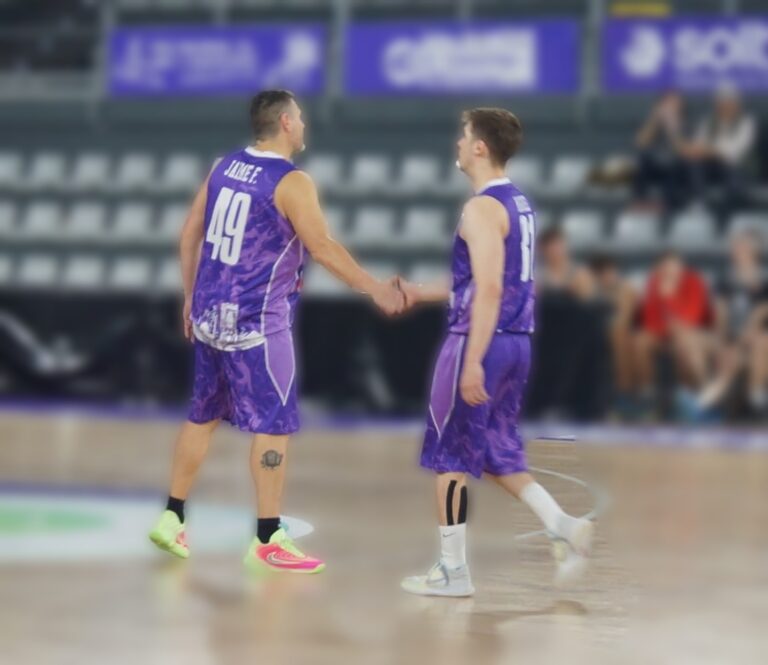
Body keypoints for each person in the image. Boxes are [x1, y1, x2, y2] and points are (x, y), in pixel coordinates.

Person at [148, 90, 403, 573]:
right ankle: (268, 538)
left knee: (200, 417)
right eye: (301, 116)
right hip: (258, 326)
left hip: (208, 318)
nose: (304, 123)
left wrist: (189, 295)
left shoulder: (224, 167)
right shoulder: (291, 181)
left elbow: (189, 233)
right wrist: (375, 288)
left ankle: (171, 516)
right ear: (285, 122)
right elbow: (323, 247)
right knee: (273, 427)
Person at [396, 108, 593, 597]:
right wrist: (420, 291)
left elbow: (486, 289)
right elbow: (484, 281)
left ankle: (452, 572)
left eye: (464, 136)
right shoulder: (519, 203)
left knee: (449, 458)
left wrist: (474, 360)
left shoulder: (480, 209)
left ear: (480, 147)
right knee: (496, 453)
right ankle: (562, 524)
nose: (459, 144)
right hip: (518, 342)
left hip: (478, 340)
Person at [679, 231, 768, 420]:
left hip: (756, 337)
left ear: (754, 251)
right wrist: (721, 343)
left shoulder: (764, 279)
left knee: (760, 341)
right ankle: (704, 391)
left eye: (742, 246)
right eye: (736, 246)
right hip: (731, 337)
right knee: (690, 337)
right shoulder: (725, 278)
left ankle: (754, 398)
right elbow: (721, 315)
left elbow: (759, 316)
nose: (736, 250)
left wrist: (739, 344)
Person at [634, 251, 715, 408]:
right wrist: (667, 329)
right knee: (640, 340)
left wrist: (669, 298)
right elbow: (649, 320)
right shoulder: (654, 282)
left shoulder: (694, 282)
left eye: (674, 268)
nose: (670, 273)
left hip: (696, 333)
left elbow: (692, 318)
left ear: (681, 268)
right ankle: (648, 391)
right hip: (664, 333)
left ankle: (702, 391)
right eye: (665, 269)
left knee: (684, 340)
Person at [676, 86, 757, 211]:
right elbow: (698, 144)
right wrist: (692, 149)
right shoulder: (708, 122)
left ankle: (727, 210)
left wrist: (709, 150)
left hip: (735, 167)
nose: (724, 106)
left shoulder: (746, 123)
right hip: (711, 166)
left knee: (732, 174)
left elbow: (734, 151)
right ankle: (699, 201)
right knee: (692, 162)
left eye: (729, 102)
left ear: (737, 104)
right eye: (721, 102)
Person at [632, 91, 687, 209]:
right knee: (643, 159)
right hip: (656, 163)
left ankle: (668, 205)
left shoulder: (687, 123)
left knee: (675, 164)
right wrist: (655, 120)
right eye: (668, 103)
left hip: (677, 165)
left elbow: (682, 149)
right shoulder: (654, 122)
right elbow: (640, 142)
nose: (671, 107)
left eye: (675, 103)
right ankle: (640, 201)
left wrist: (672, 126)